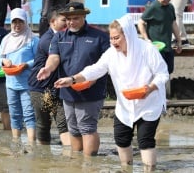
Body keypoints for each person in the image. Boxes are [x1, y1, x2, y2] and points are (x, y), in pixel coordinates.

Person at [54, 14, 169, 170]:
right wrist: (72, 79)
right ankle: (126, 168)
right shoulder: (111, 54)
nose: (113, 42)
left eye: (117, 38)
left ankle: (149, 169)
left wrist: (150, 88)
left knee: (145, 140)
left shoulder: (146, 49)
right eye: (111, 38)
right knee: (121, 139)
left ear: (127, 35)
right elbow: (95, 69)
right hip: (125, 104)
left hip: (149, 103)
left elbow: (163, 74)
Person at [37, 2, 110, 156]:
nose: (71, 22)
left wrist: (91, 80)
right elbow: (54, 58)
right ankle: (77, 159)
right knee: (73, 128)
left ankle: (89, 162)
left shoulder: (100, 36)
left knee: (87, 126)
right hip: (68, 89)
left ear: (84, 16)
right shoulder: (59, 36)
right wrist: (48, 69)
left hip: (91, 89)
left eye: (75, 18)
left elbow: (106, 64)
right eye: (68, 19)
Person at [0, 8, 39, 142]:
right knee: (14, 114)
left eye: (20, 21)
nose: (17, 25)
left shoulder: (33, 39)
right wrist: (3, 60)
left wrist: (26, 65)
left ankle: (31, 144)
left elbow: (40, 59)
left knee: (29, 114)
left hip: (27, 83)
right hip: (11, 83)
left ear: (25, 22)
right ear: (11, 23)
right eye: (14, 22)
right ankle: (16, 141)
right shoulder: (6, 40)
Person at [28, 8, 70, 146]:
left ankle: (71, 157)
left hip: (56, 87)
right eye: (64, 20)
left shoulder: (64, 36)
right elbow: (61, 56)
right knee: (43, 125)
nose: (67, 23)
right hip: (40, 88)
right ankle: (43, 158)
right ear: (53, 21)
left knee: (63, 122)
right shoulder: (48, 39)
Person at [137, 0, 182, 75]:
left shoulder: (170, 7)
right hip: (155, 47)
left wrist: (179, 40)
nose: (166, 0)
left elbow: (173, 24)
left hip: (168, 46)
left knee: (169, 69)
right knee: (158, 72)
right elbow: (140, 23)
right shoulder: (152, 7)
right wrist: (146, 39)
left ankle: (165, 89)